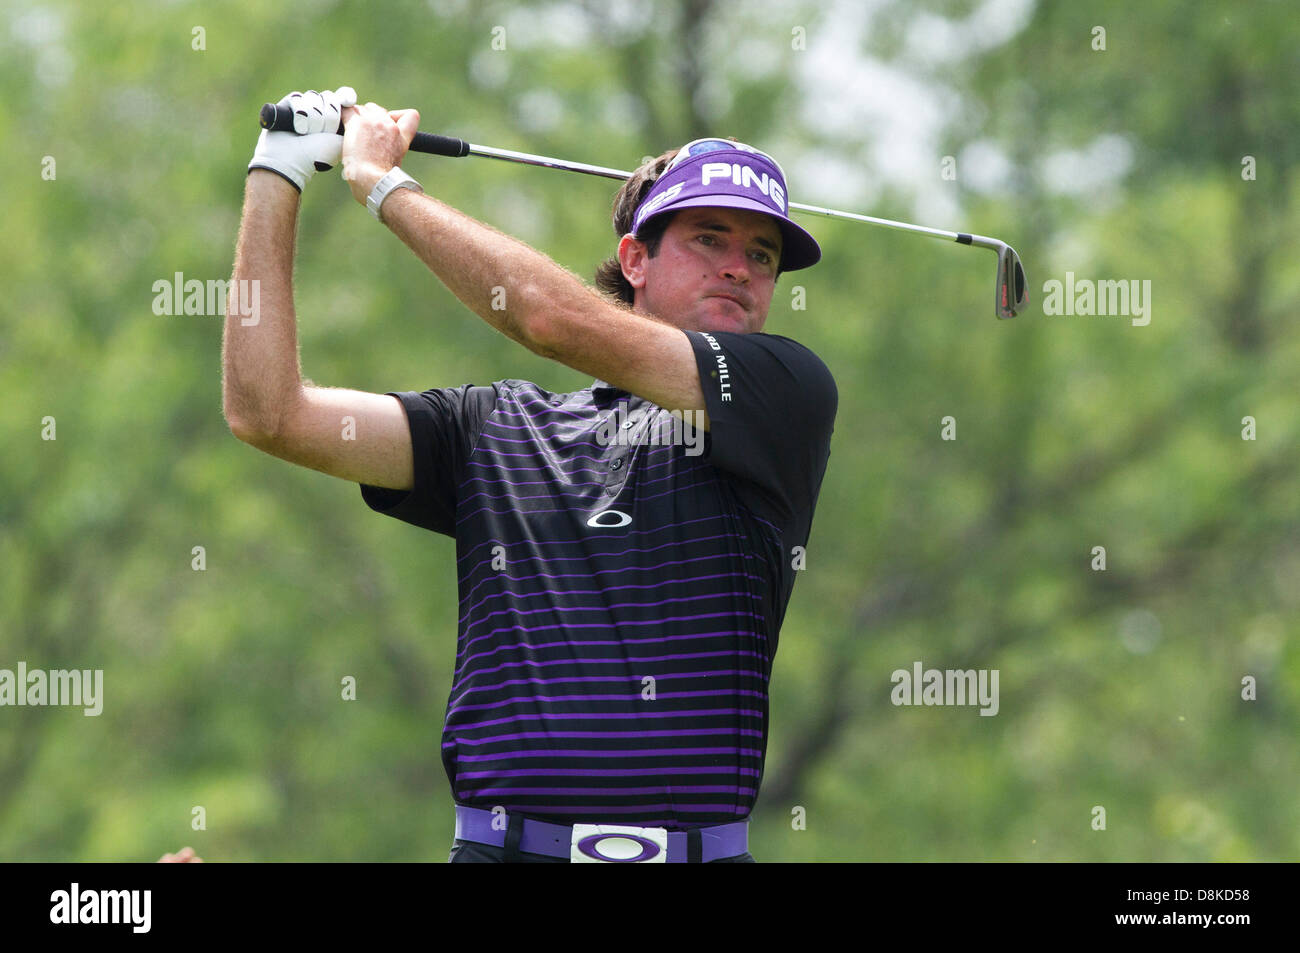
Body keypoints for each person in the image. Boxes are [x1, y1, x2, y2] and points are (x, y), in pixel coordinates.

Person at [223, 88, 837, 863]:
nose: (739, 269)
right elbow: (268, 412)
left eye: (762, 254)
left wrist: (382, 185)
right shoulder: (493, 428)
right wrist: (276, 170)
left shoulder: (784, 394)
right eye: (709, 238)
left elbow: (549, 319)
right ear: (635, 259)